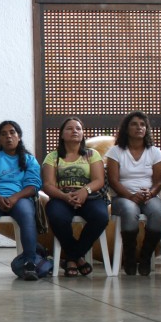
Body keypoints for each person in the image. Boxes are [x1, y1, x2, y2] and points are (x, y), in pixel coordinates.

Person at [0, 120, 45, 281]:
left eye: (12, 132)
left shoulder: (30, 160)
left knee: (27, 217)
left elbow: (33, 185)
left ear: (19, 136)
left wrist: (14, 197)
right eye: (3, 134)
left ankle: (30, 264)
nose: (8, 137)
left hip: (21, 198)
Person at [42, 117, 109, 277]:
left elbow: (99, 180)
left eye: (78, 128)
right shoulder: (52, 157)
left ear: (82, 134)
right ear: (62, 135)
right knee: (57, 216)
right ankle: (78, 258)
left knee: (101, 217)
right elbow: (48, 185)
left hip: (89, 197)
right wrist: (65, 197)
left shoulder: (92, 155)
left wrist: (84, 191)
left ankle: (71, 258)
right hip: (61, 198)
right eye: (69, 128)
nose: (74, 131)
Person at [107, 111, 161, 276]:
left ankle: (146, 256)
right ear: (126, 129)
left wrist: (151, 193)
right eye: (134, 124)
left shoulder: (154, 151)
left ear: (146, 129)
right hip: (123, 197)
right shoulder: (115, 151)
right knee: (130, 210)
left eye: (142, 124)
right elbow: (113, 181)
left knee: (158, 211)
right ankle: (130, 256)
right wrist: (130, 196)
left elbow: (158, 182)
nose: (139, 127)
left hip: (149, 196)